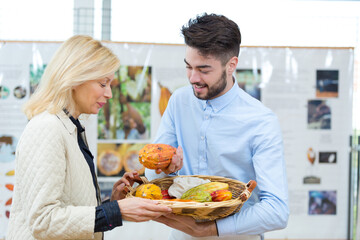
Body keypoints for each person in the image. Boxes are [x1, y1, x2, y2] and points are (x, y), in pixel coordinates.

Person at [6, 35, 172, 240]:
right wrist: (117, 211)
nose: (109, 94)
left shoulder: (71, 128)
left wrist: (112, 203)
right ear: (75, 78)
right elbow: (43, 221)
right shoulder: (46, 128)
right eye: (103, 84)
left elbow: (69, 208)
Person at [145, 13, 289, 240]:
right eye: (188, 67)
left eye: (204, 70)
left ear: (231, 65)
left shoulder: (261, 121)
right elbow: (152, 177)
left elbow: (277, 211)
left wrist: (210, 230)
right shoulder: (179, 101)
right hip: (183, 235)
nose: (193, 78)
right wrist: (169, 168)